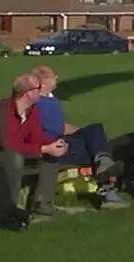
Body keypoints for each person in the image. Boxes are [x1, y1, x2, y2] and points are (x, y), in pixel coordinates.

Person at [0, 72, 68, 217]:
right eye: (38, 88)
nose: (42, 91)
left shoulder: (32, 110)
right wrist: (44, 148)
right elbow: (9, 145)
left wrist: (53, 144)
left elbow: (36, 136)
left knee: (49, 156)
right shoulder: (2, 110)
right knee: (15, 158)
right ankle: (9, 207)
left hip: (9, 152)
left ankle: (42, 203)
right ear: (28, 92)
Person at [28, 65, 128, 209]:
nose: (57, 78)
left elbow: (59, 126)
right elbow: (56, 128)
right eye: (53, 77)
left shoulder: (44, 100)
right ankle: (109, 191)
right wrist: (85, 136)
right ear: (43, 82)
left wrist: (84, 134)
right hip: (53, 148)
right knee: (95, 144)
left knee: (94, 132)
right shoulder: (41, 103)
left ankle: (104, 163)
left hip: (56, 143)